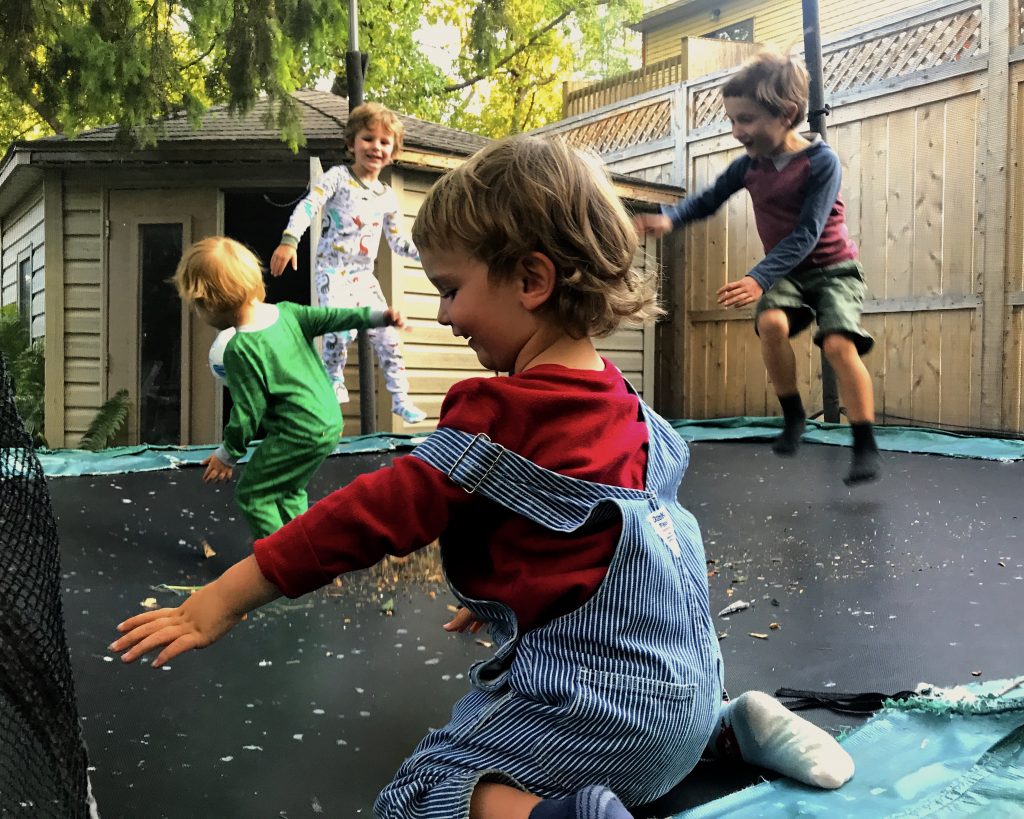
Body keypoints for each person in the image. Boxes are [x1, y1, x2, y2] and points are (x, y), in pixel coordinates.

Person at [114, 137, 854, 819]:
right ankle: (733, 728)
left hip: (606, 728)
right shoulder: (629, 409)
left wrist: (223, 598)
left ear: (531, 278)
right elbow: (604, 536)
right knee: (665, 723)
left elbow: (365, 517)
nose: (443, 315)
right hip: (684, 705)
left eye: (451, 288)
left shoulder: (495, 415)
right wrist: (514, 587)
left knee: (422, 792)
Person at [636, 51, 880, 486]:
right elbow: (707, 199)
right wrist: (671, 218)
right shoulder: (748, 167)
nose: (736, 132)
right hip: (785, 272)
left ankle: (864, 444)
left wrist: (757, 277)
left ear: (786, 114)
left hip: (833, 268)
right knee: (770, 324)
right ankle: (793, 417)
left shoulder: (821, 163)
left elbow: (807, 232)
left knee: (839, 346)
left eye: (745, 119)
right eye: (731, 120)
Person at [175, 236, 407, 539]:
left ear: (208, 303)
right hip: (329, 422)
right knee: (289, 488)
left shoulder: (240, 349)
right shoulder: (289, 313)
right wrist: (378, 315)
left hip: (298, 432)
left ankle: (282, 564)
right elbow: (334, 317)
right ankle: (310, 547)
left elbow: (248, 412)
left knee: (253, 495)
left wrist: (227, 454)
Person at [269, 101, 427, 425]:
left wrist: (427, 255)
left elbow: (397, 242)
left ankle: (400, 398)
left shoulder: (387, 196)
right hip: (332, 269)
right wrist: (290, 239)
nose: (376, 147)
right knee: (340, 328)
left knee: (388, 336)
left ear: (393, 152)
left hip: (363, 276)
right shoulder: (338, 178)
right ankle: (333, 378)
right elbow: (309, 206)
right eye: (368, 139)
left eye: (384, 142)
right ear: (351, 143)